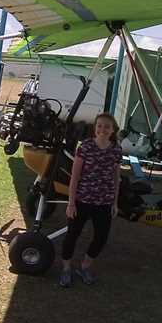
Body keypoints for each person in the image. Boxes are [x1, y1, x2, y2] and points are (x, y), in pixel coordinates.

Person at [59, 112, 122, 287]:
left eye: (107, 126)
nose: (103, 129)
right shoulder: (85, 147)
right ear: (95, 128)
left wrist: (115, 202)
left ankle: (85, 266)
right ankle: (66, 269)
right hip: (82, 200)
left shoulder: (116, 150)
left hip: (104, 203)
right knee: (72, 235)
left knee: (101, 238)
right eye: (99, 125)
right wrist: (71, 202)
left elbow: (116, 178)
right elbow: (75, 176)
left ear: (112, 130)